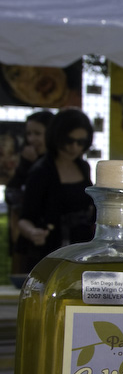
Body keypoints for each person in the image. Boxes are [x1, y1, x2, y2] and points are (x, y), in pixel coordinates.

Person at [17, 108, 96, 270]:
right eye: (69, 141)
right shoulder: (41, 171)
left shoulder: (83, 167)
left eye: (80, 142)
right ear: (57, 137)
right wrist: (33, 232)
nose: (74, 147)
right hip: (51, 253)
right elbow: (24, 218)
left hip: (81, 252)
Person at [7, 110, 54, 274]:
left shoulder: (56, 165)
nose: (31, 139)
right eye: (29, 134)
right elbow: (12, 196)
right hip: (27, 243)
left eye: (37, 134)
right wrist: (26, 165)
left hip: (52, 243)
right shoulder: (27, 164)